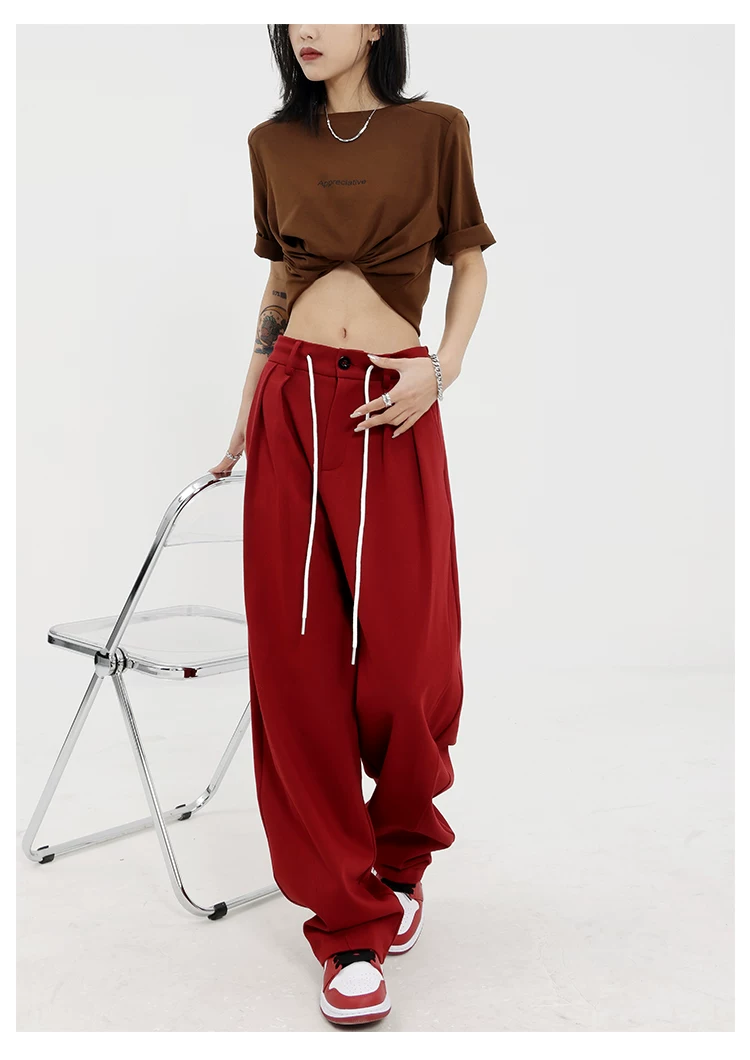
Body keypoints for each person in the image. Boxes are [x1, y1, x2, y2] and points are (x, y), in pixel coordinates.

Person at [209, 23, 495, 1026]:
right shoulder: (271, 143)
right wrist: (244, 412)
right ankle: (348, 925)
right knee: (296, 668)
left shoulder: (436, 130)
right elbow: (280, 283)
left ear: (376, 21)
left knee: (409, 662)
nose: (305, 26)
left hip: (391, 403)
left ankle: (400, 851)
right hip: (290, 401)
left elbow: (470, 261)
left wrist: (439, 369)